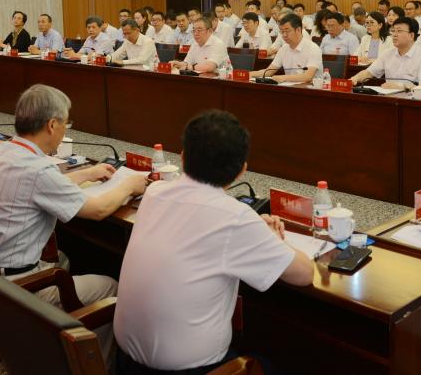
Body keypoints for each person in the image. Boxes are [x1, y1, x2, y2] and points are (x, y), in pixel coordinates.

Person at [115, 109, 312, 373]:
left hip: (126, 363)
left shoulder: (155, 192)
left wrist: (253, 228)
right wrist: (273, 237)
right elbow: (304, 274)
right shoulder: (235, 218)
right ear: (242, 171)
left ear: (182, 157)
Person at [0, 84, 146, 365]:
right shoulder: (39, 170)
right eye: (66, 123)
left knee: (62, 259)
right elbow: (99, 210)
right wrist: (130, 185)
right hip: (12, 291)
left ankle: (54, 342)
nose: (65, 129)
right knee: (110, 288)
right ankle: (91, 367)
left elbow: (38, 187)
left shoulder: (2, 151)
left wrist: (87, 173)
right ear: (52, 125)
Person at [350, 17, 421, 90]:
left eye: (399, 31)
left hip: (411, 100)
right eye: (393, 31)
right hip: (388, 98)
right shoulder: (387, 54)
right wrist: (354, 79)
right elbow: (369, 72)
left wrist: (402, 87)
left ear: (411, 35)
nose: (394, 35)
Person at [250, 13, 322, 84]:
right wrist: (248, 74)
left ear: (298, 30)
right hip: (290, 88)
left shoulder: (313, 48)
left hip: (311, 88)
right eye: (282, 32)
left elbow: (308, 76)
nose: (284, 35)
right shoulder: (283, 49)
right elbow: (268, 72)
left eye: (287, 31)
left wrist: (283, 77)